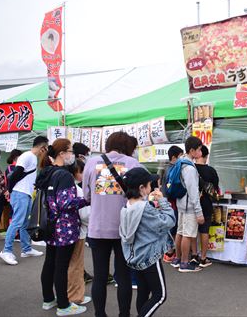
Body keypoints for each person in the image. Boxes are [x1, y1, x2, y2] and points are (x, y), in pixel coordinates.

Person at [83, 132, 144, 317]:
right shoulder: (133, 164)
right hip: (125, 229)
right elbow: (142, 197)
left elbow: (86, 196)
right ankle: (124, 314)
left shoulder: (91, 163)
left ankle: (100, 314)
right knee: (123, 276)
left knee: (100, 276)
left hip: (97, 228)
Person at [38, 139, 88, 316]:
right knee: (61, 266)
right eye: (70, 151)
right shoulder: (64, 175)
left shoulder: (47, 171)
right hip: (64, 227)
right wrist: (86, 200)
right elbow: (65, 203)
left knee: (50, 263)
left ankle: (48, 299)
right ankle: (64, 305)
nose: (72, 155)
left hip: (50, 224)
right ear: (61, 153)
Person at [120, 167, 175, 317]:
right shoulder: (145, 208)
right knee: (160, 295)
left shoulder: (126, 207)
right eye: (149, 185)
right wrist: (162, 200)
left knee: (143, 292)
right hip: (149, 257)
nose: (151, 187)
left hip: (135, 256)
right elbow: (169, 221)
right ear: (141, 188)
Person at [0, 136, 48, 265]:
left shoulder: (31, 157)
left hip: (24, 193)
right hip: (20, 193)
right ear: (42, 147)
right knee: (17, 222)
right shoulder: (27, 156)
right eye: (46, 148)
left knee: (25, 222)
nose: (46, 151)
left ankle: (26, 249)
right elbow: (15, 174)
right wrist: (9, 190)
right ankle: (6, 251)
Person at [171, 136, 204, 272]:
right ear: (192, 150)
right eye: (199, 150)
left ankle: (178, 259)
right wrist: (199, 212)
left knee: (180, 232)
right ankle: (184, 263)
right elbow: (193, 191)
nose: (200, 153)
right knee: (188, 234)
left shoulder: (180, 163)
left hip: (181, 204)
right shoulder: (189, 168)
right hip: (189, 205)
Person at [66, 159, 92, 306]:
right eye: (81, 171)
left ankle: (66, 295)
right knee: (76, 265)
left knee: (66, 264)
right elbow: (85, 215)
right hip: (78, 231)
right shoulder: (77, 189)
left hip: (62, 232)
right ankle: (76, 296)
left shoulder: (63, 186)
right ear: (75, 172)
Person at [193, 145, 219, 267]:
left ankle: (193, 255)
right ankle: (203, 258)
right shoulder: (211, 171)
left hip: (192, 204)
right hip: (206, 204)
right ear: (206, 156)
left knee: (192, 230)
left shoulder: (190, 168)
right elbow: (215, 189)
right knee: (204, 231)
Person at [161, 145, 183, 263]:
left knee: (169, 226)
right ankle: (170, 252)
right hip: (171, 201)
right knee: (172, 227)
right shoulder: (173, 169)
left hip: (165, 200)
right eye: (180, 156)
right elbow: (171, 187)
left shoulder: (166, 168)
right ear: (174, 157)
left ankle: (169, 251)